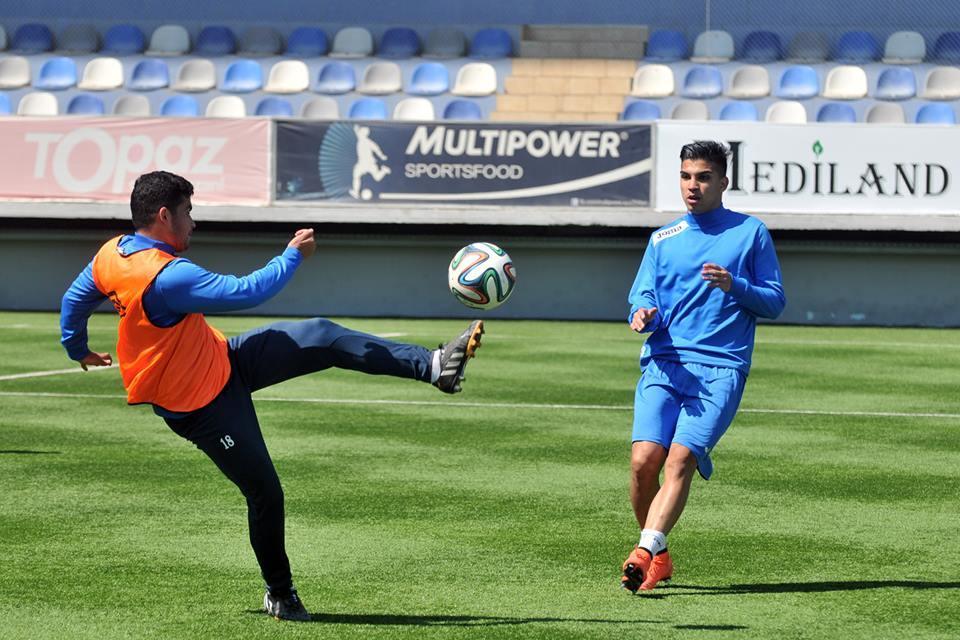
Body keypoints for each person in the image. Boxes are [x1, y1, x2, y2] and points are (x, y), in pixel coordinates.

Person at [59, 170, 484, 621]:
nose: (193, 222)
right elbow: (249, 291)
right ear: (164, 216)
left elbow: (74, 299)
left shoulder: (113, 253)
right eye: (188, 212)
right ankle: (280, 593)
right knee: (265, 493)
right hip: (202, 407)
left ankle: (434, 366)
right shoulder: (167, 277)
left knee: (320, 335)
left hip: (221, 360)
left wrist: (76, 347)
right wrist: (292, 255)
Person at [620, 141, 785, 592]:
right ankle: (659, 555)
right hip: (664, 363)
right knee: (643, 463)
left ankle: (643, 551)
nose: (693, 185)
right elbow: (643, 294)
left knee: (680, 460)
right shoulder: (663, 239)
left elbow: (775, 301)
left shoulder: (750, 233)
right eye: (686, 176)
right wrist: (642, 313)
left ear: (723, 182)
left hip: (720, 369)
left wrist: (735, 285)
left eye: (704, 177)